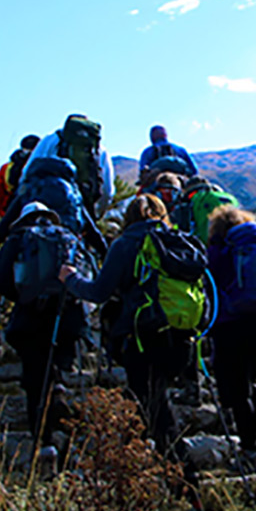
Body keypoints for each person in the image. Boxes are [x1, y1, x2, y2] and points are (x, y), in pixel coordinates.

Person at [57, 195, 194, 456]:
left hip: (143, 338)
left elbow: (99, 292)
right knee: (153, 402)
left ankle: (183, 479)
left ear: (128, 218)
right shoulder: (180, 242)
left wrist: (71, 279)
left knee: (154, 409)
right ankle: (143, 467)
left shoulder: (125, 244)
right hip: (180, 337)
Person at [0, 197, 86, 440]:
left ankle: (41, 439)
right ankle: (62, 402)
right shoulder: (67, 239)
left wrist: (24, 297)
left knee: (34, 377)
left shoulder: (17, 239)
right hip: (67, 317)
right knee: (57, 359)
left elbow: (0, 280)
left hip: (31, 318)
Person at [205, 206, 256, 458]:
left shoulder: (218, 252)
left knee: (237, 392)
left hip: (230, 326)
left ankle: (249, 448)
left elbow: (209, 286)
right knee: (247, 382)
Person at [30, 114, 115, 215]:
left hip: (46, 208)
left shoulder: (50, 140)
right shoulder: (99, 149)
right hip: (82, 211)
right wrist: (97, 214)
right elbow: (108, 191)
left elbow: (27, 171)